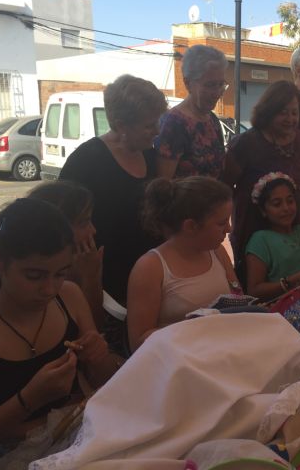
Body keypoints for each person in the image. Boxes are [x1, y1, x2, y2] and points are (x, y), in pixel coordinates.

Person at [0, 199, 122, 455]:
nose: (49, 289)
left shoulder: (69, 296)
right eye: (34, 276)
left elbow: (102, 380)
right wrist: (28, 400)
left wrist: (98, 357)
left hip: (77, 439)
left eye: (61, 273)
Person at [59, 74, 167, 308]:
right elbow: (63, 222)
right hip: (106, 279)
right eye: (149, 125)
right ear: (121, 125)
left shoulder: (148, 153)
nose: (157, 130)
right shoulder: (86, 161)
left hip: (146, 270)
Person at [126, 177, 239, 353]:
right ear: (191, 226)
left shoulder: (217, 252)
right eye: (221, 223)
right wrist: (195, 328)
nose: (229, 229)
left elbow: (237, 297)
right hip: (179, 361)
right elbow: (138, 343)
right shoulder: (150, 268)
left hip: (223, 349)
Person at [221, 80, 300, 284]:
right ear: (268, 111)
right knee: (257, 286)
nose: (290, 118)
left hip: (297, 225)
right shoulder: (246, 144)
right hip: (254, 228)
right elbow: (225, 186)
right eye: (283, 112)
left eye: (295, 112)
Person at [27, 181, 105, 329]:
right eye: (83, 223)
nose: (93, 230)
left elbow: (94, 332)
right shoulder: (39, 276)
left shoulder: (79, 262)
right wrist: (90, 279)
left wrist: (92, 278)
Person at [245, 172, 300, 301]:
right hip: (285, 309)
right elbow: (254, 291)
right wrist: (292, 281)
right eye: (277, 204)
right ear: (263, 211)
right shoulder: (260, 240)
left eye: (290, 201)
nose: (286, 208)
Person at [154, 45, 227, 179]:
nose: (217, 92)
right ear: (187, 83)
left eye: (221, 84)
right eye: (210, 85)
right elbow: (163, 184)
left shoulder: (212, 119)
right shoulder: (173, 124)